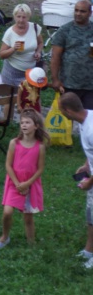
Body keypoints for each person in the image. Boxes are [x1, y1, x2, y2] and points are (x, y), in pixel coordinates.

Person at [0, 109, 48, 249]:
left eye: (28, 122)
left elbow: (40, 169)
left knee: (28, 218)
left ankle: (31, 244)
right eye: (22, 122)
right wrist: (18, 184)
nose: (24, 125)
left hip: (30, 185)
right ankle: (5, 237)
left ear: (36, 126)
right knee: (7, 212)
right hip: (14, 183)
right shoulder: (14, 143)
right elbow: (8, 165)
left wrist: (27, 184)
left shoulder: (40, 146)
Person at [58, 93, 93, 266]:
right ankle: (89, 250)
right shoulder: (86, 118)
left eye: (61, 110)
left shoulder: (91, 129)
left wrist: (89, 183)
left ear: (68, 110)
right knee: (91, 215)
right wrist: (87, 165)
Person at [50, 0, 93, 108]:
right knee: (69, 115)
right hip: (69, 83)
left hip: (90, 85)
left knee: (90, 116)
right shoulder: (64, 30)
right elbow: (55, 57)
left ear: (90, 13)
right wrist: (55, 79)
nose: (78, 13)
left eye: (82, 11)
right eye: (76, 10)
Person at [0, 4, 44, 87]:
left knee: (29, 94)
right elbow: (1, 55)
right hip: (12, 73)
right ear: (14, 17)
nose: (21, 20)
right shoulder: (9, 33)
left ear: (28, 17)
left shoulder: (34, 28)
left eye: (24, 17)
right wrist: (13, 49)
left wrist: (38, 52)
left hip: (30, 72)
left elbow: (40, 43)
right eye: (18, 17)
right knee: (12, 94)